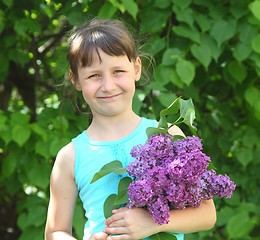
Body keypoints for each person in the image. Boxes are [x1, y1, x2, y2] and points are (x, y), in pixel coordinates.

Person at [45, 18, 216, 240]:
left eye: (118, 71)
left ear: (136, 69)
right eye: (94, 75)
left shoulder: (167, 136)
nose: (108, 86)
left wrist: (153, 223)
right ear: (76, 80)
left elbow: (207, 214)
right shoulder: (70, 157)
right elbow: (55, 232)